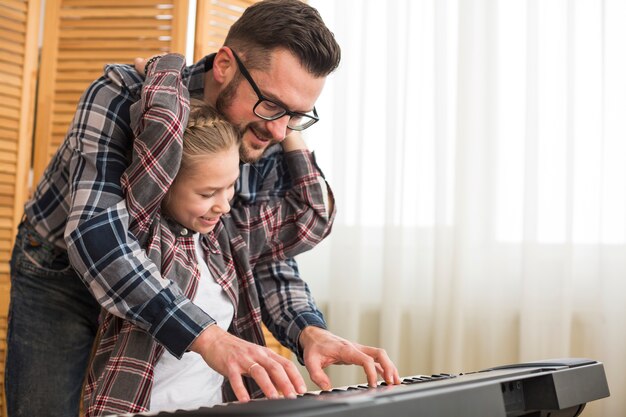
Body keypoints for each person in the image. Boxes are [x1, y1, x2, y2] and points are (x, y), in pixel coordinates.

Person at [5, 2, 400, 417]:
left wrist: (308, 330)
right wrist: (207, 337)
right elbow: (96, 235)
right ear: (226, 65)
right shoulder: (125, 94)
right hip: (62, 273)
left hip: (159, 276)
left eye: (296, 116)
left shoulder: (262, 131)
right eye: (271, 104)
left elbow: (255, 253)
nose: (280, 131)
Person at [84, 54, 335, 415]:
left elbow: (311, 215)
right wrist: (166, 68)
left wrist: (288, 122)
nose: (223, 206)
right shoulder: (144, 232)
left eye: (230, 187)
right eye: (206, 193)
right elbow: (163, 133)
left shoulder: (224, 236)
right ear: (165, 184)